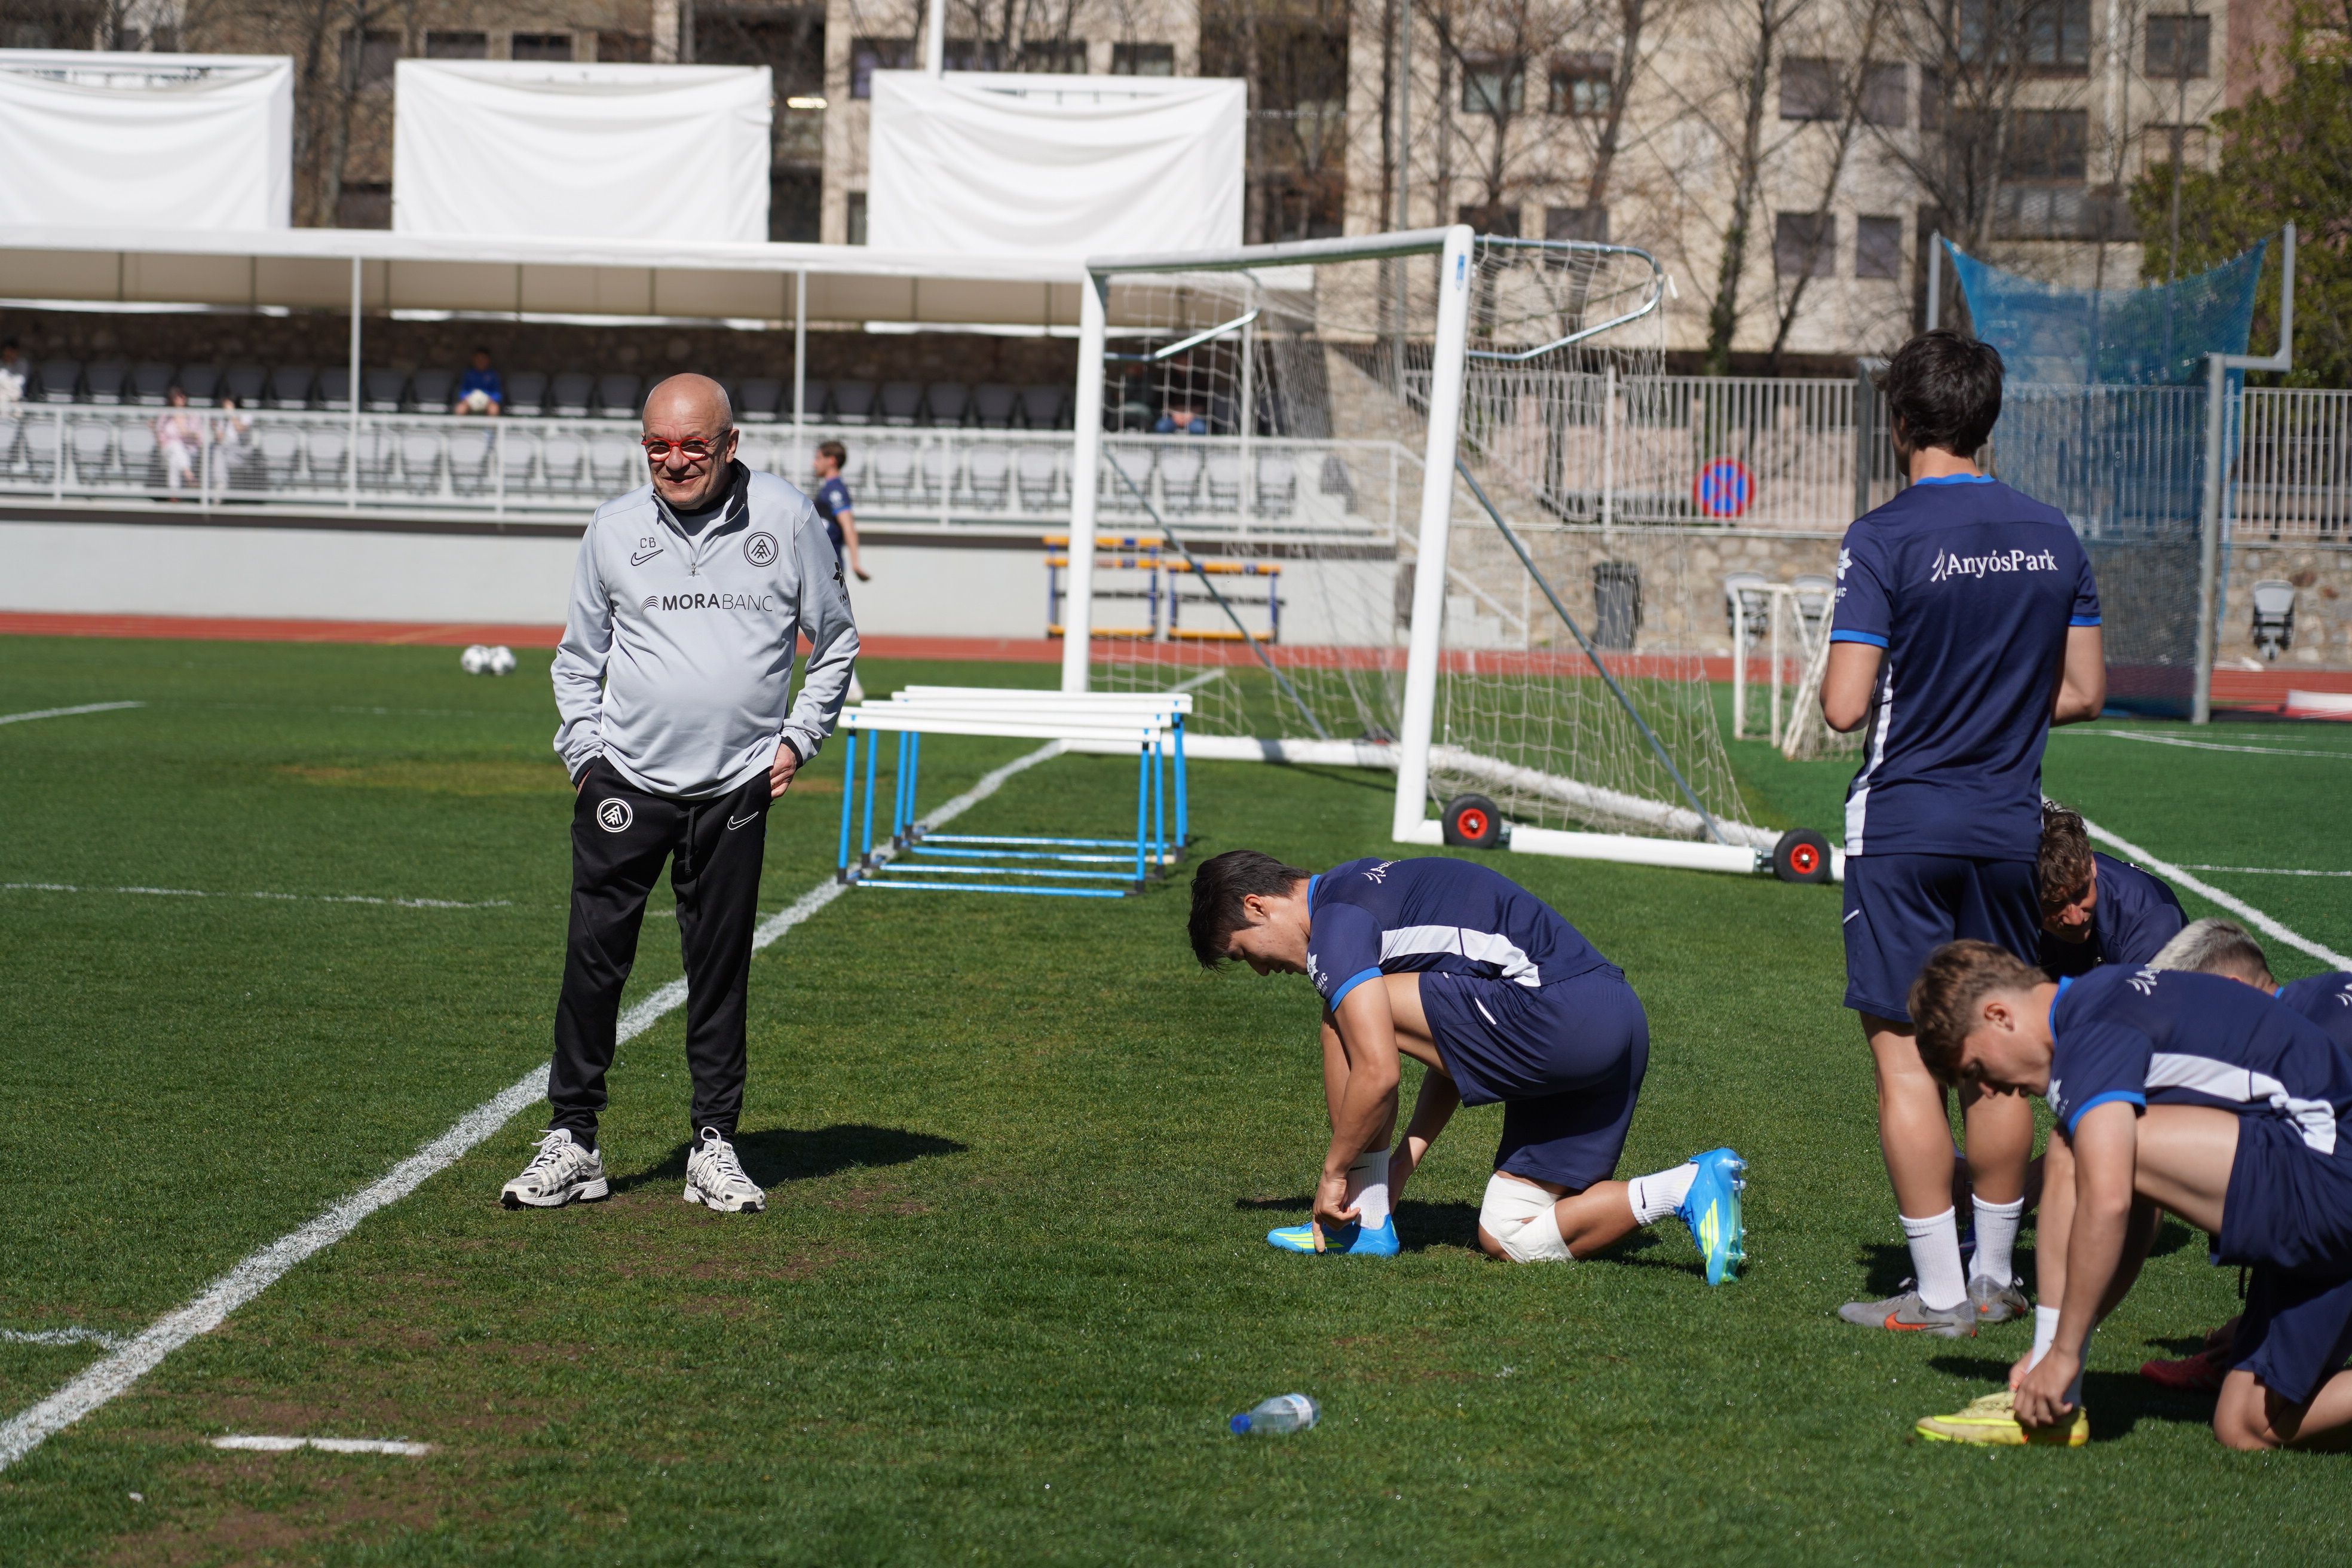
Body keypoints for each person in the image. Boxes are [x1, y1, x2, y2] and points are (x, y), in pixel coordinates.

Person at [502, 373, 858, 1215]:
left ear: (730, 446)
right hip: (624, 781)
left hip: (735, 787)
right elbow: (577, 656)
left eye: (693, 445)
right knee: (594, 964)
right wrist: (585, 757)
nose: (674, 461)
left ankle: (714, 1144)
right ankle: (574, 1142)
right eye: (658, 446)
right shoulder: (614, 529)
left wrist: (800, 737)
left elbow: (835, 639)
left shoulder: (786, 518)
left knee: (719, 969)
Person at [1821, 329, 2106, 1338]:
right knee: (1996, 1048)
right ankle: (1993, 1276)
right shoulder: (2054, 535)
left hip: (1902, 822)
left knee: (1906, 1058)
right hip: (2004, 825)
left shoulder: (1883, 535)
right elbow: (2082, 690)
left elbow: (1845, 706)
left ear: (1897, 420)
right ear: (1987, 419)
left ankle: (1938, 1293)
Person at [1189, 850, 1747, 1282]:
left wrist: (1334, 1176)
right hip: (1613, 1023)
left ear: (1257, 906)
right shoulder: (1357, 886)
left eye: (1244, 953)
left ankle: (1362, 1217)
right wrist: (1401, 1167)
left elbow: (1379, 1074)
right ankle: (1688, 1187)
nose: (1260, 971)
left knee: (1342, 1018)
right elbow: (1456, 1042)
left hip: (1561, 1016)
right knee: (1509, 1235)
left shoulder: (1335, 934)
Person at [1907, 941, 2352, 1449]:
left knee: (2075, 1149)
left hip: (2333, 1174)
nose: (1989, 1091)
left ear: (1999, 1016)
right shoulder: (2100, 997)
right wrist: (2056, 1350)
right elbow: (2139, 1215)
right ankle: (2054, 1383)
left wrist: (2065, 1352)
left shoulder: (2090, 1036)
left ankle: (2055, 1398)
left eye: (1976, 1070)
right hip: (2322, 1174)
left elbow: (2110, 1197)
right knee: (2246, 1425)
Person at [2136, 917, 2352, 1393]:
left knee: (2246, 1424)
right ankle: (2254, 1338)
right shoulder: (2319, 1001)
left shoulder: (2299, 1043)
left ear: (2233, 992)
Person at [2036, 802, 2185, 978]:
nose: (2075, 919)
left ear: (2092, 864)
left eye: (2081, 892)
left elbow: (2146, 1004)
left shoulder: (2148, 919)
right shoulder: (2004, 898)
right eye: (2054, 904)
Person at [809, 440, 868, 704]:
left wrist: (856, 562)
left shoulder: (835, 490)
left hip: (828, 570)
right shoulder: (830, 489)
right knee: (826, 628)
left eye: (819, 458)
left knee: (831, 629)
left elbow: (848, 525)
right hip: (821, 567)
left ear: (831, 460)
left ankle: (850, 687)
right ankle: (847, 685)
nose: (814, 463)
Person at [154, 386, 204, 496]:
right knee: (175, 446)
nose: (180, 399)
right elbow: (161, 438)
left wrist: (187, 433)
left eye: (182, 396)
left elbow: (199, 439)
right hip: (167, 450)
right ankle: (189, 476)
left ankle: (174, 494)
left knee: (175, 459)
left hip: (189, 452)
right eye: (176, 397)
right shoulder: (166, 415)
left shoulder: (193, 415)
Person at [455, 348, 503, 416]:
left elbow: (497, 392)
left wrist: (491, 399)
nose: (480, 361)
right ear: (474, 359)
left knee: (494, 409)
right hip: (470, 400)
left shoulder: (493, 375)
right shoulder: (468, 374)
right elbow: (462, 390)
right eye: (478, 359)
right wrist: (466, 398)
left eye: (483, 359)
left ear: (488, 360)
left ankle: (490, 426)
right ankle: (461, 426)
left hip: (488, 401)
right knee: (460, 408)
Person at [0, 339, 24, 411]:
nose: (9, 354)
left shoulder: (22, 364)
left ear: (16, 352)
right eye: (7, 351)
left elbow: (20, 381)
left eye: (11, 352)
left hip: (17, 398)